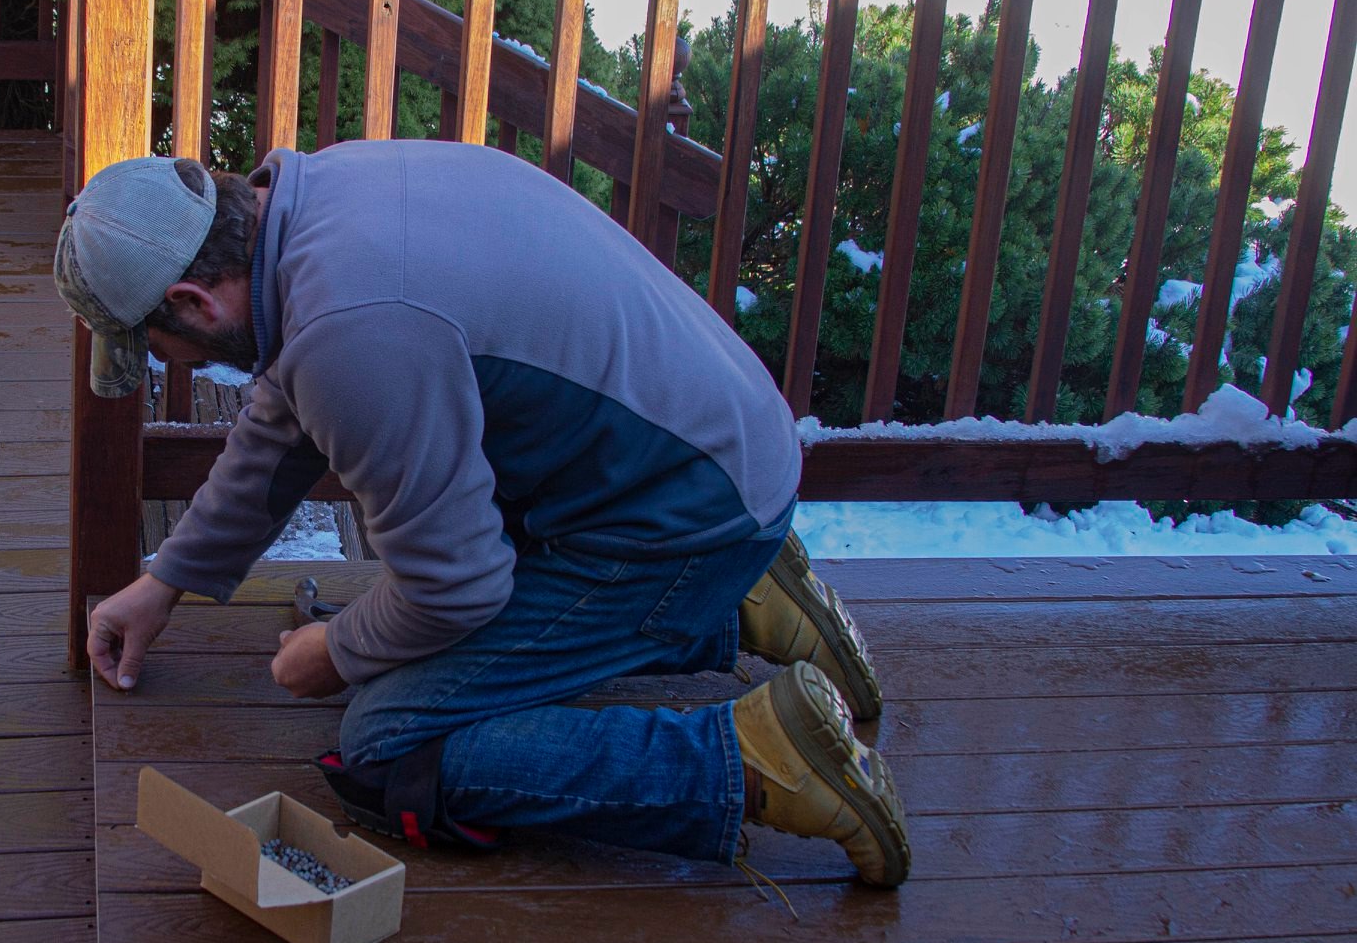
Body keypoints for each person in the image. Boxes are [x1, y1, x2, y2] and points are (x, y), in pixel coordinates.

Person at [60, 140, 910, 887]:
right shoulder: (317, 201)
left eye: (156, 346)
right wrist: (166, 580)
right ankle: (741, 608)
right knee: (401, 659)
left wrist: (339, 648)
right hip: (712, 462)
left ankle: (756, 759)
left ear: (195, 302)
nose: (166, 363)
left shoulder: (354, 329)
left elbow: (456, 590)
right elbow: (281, 422)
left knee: (389, 742)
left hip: (682, 517)